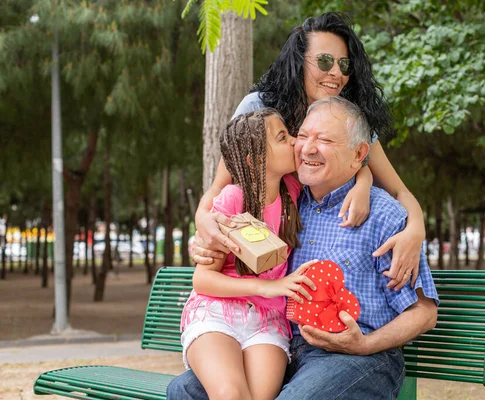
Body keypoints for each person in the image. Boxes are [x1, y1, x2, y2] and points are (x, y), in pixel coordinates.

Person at [168, 98, 439, 399]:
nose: (307, 147)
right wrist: (205, 229)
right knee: (184, 391)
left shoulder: (384, 216)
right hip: (287, 350)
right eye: (304, 135)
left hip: (356, 356)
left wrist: (364, 344)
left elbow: (424, 312)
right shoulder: (292, 199)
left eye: (324, 140)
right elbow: (240, 188)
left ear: (359, 153)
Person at [192, 12, 426, 290]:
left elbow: (399, 191)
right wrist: (203, 222)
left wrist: (415, 231)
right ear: (298, 62)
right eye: (325, 61)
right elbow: (219, 187)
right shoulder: (259, 109)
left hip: (306, 251)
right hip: (253, 262)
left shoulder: (349, 120)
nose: (337, 73)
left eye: (344, 64)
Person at [180, 109, 318, 400]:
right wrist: (268, 287)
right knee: (230, 394)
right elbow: (203, 280)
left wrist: (365, 182)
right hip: (217, 313)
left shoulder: (292, 190)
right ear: (255, 160)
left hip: (267, 322)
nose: (294, 142)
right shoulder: (233, 198)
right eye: (283, 138)